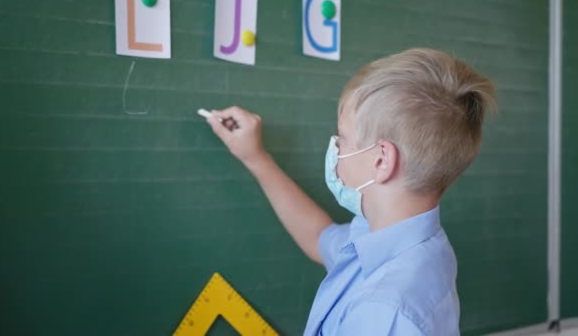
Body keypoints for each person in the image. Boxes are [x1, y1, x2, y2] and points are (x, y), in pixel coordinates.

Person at [205, 48, 496, 335]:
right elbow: (320, 237)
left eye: (342, 138)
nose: (335, 147)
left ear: (381, 160)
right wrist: (255, 158)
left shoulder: (384, 314)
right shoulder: (399, 237)